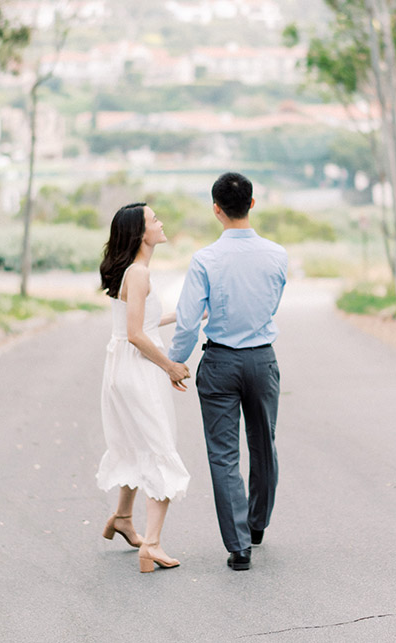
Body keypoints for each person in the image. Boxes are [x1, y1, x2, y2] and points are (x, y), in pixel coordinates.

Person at [168, 172, 288, 571]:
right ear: (252, 204)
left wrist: (175, 361)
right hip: (262, 358)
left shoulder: (205, 259)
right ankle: (257, 525)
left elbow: (187, 322)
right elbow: (271, 303)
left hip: (220, 361)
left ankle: (239, 548)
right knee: (263, 445)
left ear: (216, 210)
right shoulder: (277, 255)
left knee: (224, 455)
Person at [96, 202, 191, 573]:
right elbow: (136, 335)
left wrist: (182, 315)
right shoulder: (138, 273)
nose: (161, 222)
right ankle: (151, 545)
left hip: (123, 367)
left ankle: (122, 517)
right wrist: (170, 367)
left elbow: (139, 323)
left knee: (136, 444)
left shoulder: (133, 272)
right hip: (138, 370)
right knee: (158, 448)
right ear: (140, 233)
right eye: (154, 220)